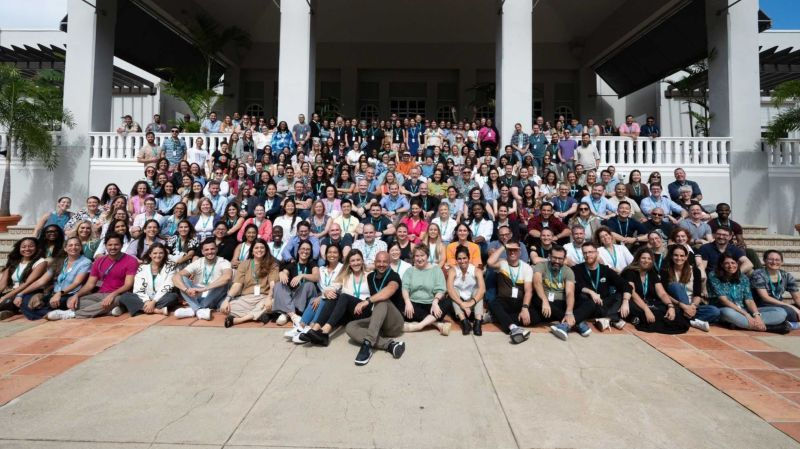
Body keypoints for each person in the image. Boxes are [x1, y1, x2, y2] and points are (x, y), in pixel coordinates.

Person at [46, 234, 138, 320]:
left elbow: (128, 285)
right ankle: (110, 310)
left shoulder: (131, 261)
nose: (113, 247)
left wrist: (112, 295)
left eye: (116, 245)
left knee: (116, 300)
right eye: (110, 245)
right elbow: (90, 284)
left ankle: (71, 314)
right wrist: (76, 295)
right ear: (105, 246)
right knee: (72, 301)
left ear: (122, 245)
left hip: (120, 294)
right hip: (101, 294)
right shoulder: (99, 261)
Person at [301, 250, 372, 346]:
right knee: (334, 295)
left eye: (358, 260)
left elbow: (376, 294)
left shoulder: (370, 275)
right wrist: (327, 292)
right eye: (353, 260)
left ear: (362, 261)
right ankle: (315, 329)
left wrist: (367, 302)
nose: (356, 263)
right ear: (349, 263)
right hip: (350, 313)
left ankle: (324, 332)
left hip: (364, 310)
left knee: (344, 296)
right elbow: (333, 286)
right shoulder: (346, 275)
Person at [347, 251, 406, 365]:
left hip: (394, 322)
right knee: (350, 327)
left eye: (385, 262)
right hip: (379, 322)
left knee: (381, 300)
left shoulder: (394, 276)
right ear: (374, 262)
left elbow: (388, 291)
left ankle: (367, 345)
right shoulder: (371, 277)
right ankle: (390, 345)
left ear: (389, 263)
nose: (381, 264)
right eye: (379, 261)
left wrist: (367, 301)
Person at [708, 254, 790, 333]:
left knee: (781, 312)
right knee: (728, 313)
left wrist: (756, 315)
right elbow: (724, 301)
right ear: (722, 265)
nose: (730, 266)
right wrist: (746, 314)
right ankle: (768, 328)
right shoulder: (714, 276)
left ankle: (741, 325)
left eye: (733, 263)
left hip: (744, 310)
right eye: (727, 263)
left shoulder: (743, 277)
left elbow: (749, 300)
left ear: (738, 264)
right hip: (726, 309)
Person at [529, 245, 593, 340]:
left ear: (564, 259)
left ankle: (565, 324)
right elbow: (537, 283)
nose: (557, 261)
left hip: (561, 303)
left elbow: (570, 293)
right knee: (537, 299)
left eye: (560, 259)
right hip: (545, 303)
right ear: (549, 256)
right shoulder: (541, 266)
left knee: (590, 303)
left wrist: (569, 312)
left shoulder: (568, 271)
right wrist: (545, 301)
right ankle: (577, 323)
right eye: (554, 258)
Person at [621, 248, 690, 334]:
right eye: (643, 258)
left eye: (649, 259)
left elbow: (662, 293)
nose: (646, 261)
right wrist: (646, 309)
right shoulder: (629, 272)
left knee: (676, 312)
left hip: (649, 302)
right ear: (638, 259)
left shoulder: (651, 272)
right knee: (653, 316)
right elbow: (633, 293)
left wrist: (670, 306)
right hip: (634, 302)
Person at [221, 238, 280, 327]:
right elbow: (237, 284)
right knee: (226, 308)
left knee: (273, 302)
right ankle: (260, 315)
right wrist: (226, 300)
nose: (259, 250)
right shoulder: (244, 264)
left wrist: (269, 298)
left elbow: (273, 284)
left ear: (266, 250)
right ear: (252, 251)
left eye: (262, 248)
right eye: (256, 248)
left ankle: (240, 319)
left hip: (264, 297)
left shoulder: (272, 264)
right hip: (247, 298)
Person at [659, 244, 719, 332]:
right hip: (675, 304)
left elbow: (697, 294)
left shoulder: (695, 271)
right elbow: (664, 293)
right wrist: (683, 306)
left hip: (691, 305)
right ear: (671, 256)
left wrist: (693, 306)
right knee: (676, 286)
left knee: (715, 311)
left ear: (686, 257)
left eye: (682, 255)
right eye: (676, 255)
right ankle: (692, 320)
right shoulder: (665, 271)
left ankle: (688, 320)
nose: (679, 258)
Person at [573, 242, 631, 331]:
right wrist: (591, 292)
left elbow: (625, 284)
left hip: (603, 305)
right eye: (585, 253)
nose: (587, 255)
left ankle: (606, 319)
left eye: (590, 252)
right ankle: (612, 319)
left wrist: (626, 301)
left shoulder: (605, 269)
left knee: (620, 295)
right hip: (587, 304)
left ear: (597, 253)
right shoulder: (577, 269)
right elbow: (574, 285)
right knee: (581, 295)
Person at [172, 238, 233, 321]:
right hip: (196, 294)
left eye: (212, 249)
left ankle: (193, 309)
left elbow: (227, 277)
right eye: (206, 250)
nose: (210, 252)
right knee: (182, 278)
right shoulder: (198, 262)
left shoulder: (223, 262)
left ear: (216, 249)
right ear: (202, 252)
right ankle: (199, 310)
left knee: (223, 283)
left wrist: (204, 289)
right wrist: (186, 290)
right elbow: (176, 276)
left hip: (213, 294)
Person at [486, 241, 534, 344]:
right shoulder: (502, 263)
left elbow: (528, 291)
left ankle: (495, 318)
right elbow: (490, 262)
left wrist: (525, 308)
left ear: (520, 252)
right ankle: (513, 327)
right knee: (493, 303)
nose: (512, 252)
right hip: (504, 301)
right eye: (510, 250)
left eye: (515, 250)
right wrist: (504, 246)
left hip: (519, 302)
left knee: (533, 315)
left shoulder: (526, 267)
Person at [114, 243, 178, 317]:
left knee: (173, 297)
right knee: (125, 296)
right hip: (145, 298)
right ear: (150, 254)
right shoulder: (142, 268)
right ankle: (157, 310)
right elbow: (138, 288)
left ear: (164, 254)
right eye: (155, 253)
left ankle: (139, 308)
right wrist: (147, 301)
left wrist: (153, 302)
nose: (158, 255)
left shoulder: (170, 267)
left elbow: (167, 286)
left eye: (161, 253)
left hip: (161, 297)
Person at [401, 246, 451, 335]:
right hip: (414, 305)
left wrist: (435, 302)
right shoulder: (409, 271)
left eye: (422, 255)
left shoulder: (436, 270)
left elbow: (441, 289)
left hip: (431, 305)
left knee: (448, 302)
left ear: (427, 256)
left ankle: (418, 326)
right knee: (400, 303)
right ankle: (435, 323)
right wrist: (407, 302)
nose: (420, 259)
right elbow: (405, 288)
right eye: (417, 256)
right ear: (413, 257)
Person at [0, 238, 49, 320]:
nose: (27, 249)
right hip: (13, 291)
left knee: (8, 302)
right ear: (19, 248)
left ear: (36, 247)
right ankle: (9, 311)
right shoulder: (14, 261)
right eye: (24, 247)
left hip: (29, 291)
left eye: (31, 246)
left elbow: (27, 283)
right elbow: (2, 284)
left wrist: (5, 297)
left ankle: (10, 310)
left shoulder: (41, 262)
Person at [272, 240, 319, 326]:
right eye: (303, 249)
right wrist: (282, 273)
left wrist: (302, 276)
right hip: (293, 297)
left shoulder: (312, 264)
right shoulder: (292, 264)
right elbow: (285, 272)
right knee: (279, 285)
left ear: (310, 252)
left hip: (305, 300)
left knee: (309, 284)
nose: (305, 251)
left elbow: (316, 277)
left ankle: (287, 313)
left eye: (308, 249)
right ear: (298, 251)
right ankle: (292, 315)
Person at [750, 250, 800, 329]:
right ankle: (788, 324)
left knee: (795, 309)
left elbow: (797, 297)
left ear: (782, 262)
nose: (774, 262)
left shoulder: (786, 276)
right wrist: (790, 306)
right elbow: (765, 297)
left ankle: (787, 324)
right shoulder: (758, 274)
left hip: (778, 305)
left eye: (777, 260)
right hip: (761, 307)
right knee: (789, 311)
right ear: (764, 260)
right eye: (770, 259)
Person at [447, 245, 486, 336]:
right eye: (459, 259)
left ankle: (478, 322)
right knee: (454, 290)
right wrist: (462, 304)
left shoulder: (476, 271)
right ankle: (464, 322)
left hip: (473, 301)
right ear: (456, 260)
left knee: (478, 290)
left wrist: (470, 303)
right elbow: (449, 290)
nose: (462, 261)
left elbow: (482, 290)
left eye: (464, 258)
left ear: (469, 258)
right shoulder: (453, 271)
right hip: (458, 303)